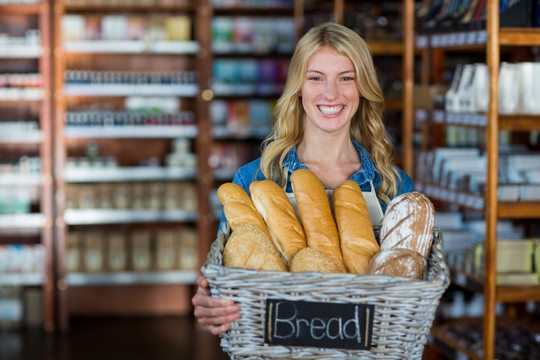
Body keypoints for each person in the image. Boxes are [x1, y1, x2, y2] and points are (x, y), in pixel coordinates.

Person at [192, 22, 414, 335]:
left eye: (346, 78)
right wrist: (211, 301)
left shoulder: (393, 186)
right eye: (316, 78)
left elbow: (413, 292)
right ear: (298, 86)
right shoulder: (255, 178)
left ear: (363, 86)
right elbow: (227, 281)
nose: (331, 93)